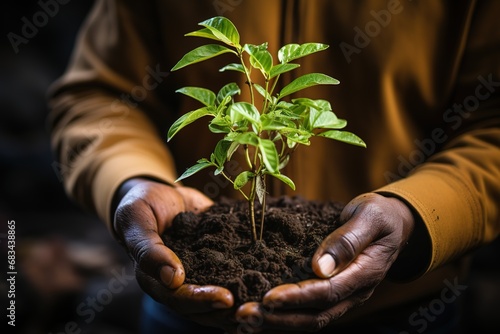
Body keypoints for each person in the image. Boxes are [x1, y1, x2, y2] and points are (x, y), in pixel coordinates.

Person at [48, 0, 500, 333]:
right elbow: (97, 97)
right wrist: (132, 180)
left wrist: (416, 214)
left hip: (403, 312)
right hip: (191, 311)